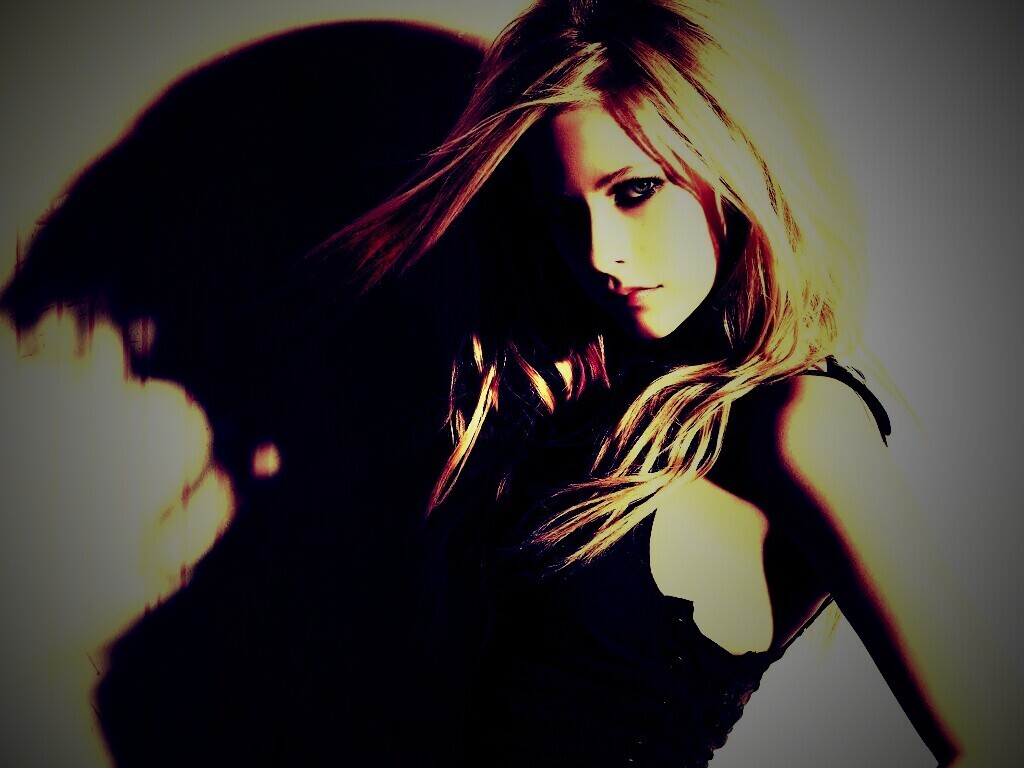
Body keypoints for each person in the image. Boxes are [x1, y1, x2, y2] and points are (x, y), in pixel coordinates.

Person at [313, 0, 1021, 765]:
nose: (600, 254)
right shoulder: (579, 390)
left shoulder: (805, 419)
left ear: (735, 165)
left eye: (635, 190)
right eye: (563, 212)